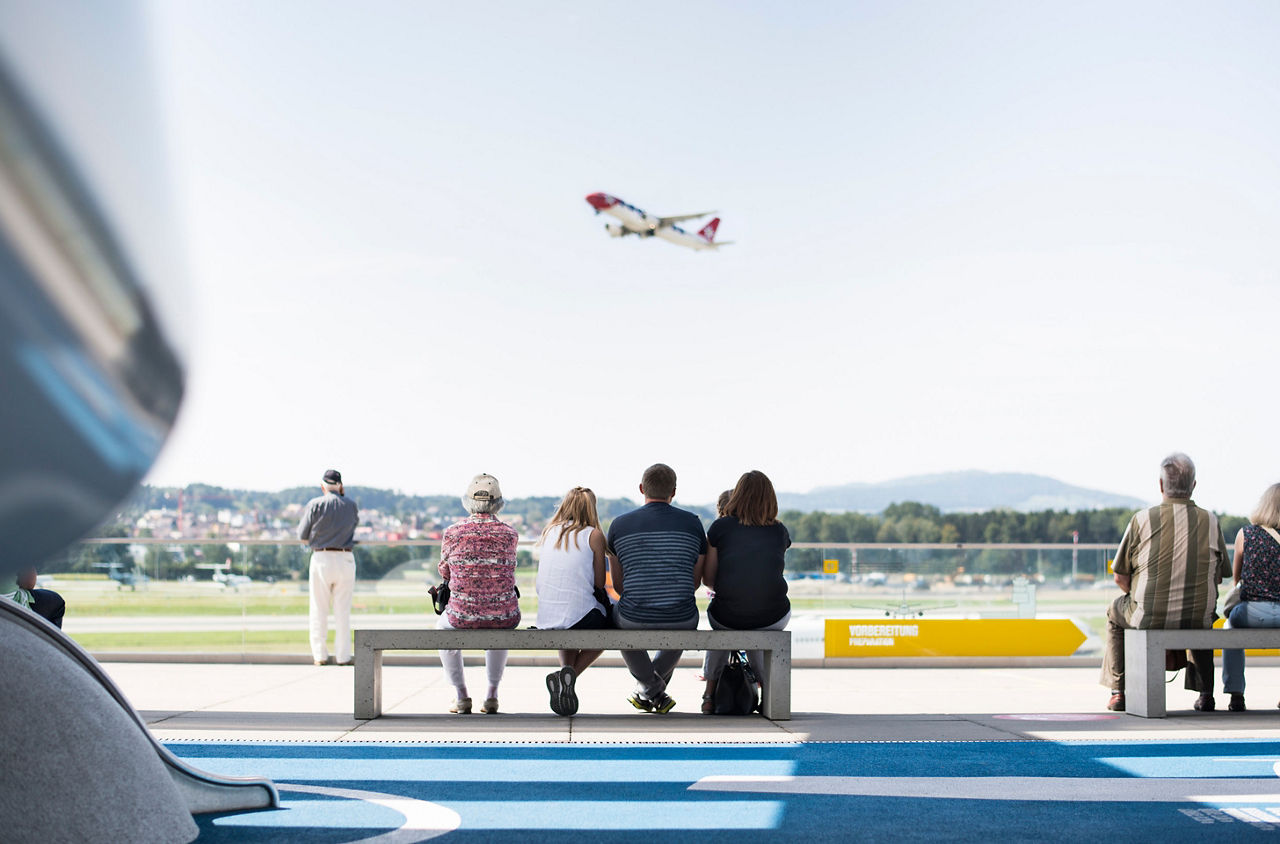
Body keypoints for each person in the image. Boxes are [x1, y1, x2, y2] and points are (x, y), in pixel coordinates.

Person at [1101, 453, 1230, 712]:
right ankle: (1206, 694)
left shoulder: (1141, 519)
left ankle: (1118, 690)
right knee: (1203, 610)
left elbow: (1120, 575)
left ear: (1161, 485)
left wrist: (1144, 598)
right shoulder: (1211, 521)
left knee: (1114, 612)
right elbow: (1220, 575)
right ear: (1193, 486)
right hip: (1197, 619)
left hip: (1148, 615)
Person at [606, 463, 706, 714]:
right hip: (682, 616)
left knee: (619, 619)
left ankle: (649, 689)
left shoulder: (619, 525)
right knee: (683, 616)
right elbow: (694, 583)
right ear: (673, 491)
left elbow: (618, 586)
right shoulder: (693, 523)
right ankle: (652, 692)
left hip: (634, 616)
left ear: (641, 488)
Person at [700, 470, 791, 714]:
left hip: (727, 616)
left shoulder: (720, 528)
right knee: (758, 623)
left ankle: (709, 696)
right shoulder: (780, 531)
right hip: (774, 614)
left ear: (738, 495)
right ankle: (768, 693)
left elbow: (708, 580)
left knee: (727, 623)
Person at [437, 473, 520, 714]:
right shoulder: (510, 534)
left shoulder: (453, 532)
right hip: (505, 614)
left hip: (461, 615)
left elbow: (444, 571)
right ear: (499, 503)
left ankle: (461, 695)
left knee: (442, 629)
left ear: (467, 501)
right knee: (499, 622)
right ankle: (492, 695)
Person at [534, 486, 611, 716]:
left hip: (548, 615)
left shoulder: (549, 532)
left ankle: (565, 677)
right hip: (578, 614)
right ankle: (568, 676)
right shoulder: (594, 535)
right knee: (606, 633)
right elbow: (599, 583)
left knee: (568, 622)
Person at [1220, 483, 1280, 712]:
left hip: (1252, 612)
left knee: (1230, 627)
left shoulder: (1246, 534)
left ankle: (1236, 694)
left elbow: (1236, 580)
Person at [297, 469, 359, 666]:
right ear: (340, 486)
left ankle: (320, 655)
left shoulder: (315, 504)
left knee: (318, 609)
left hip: (322, 557)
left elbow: (302, 535)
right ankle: (343, 656)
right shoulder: (350, 505)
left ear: (323, 485)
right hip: (345, 558)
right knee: (343, 611)